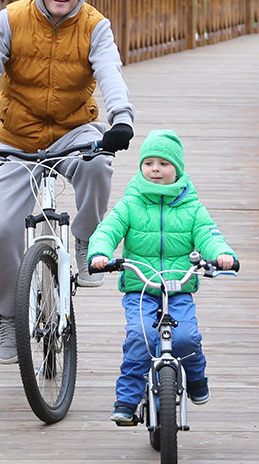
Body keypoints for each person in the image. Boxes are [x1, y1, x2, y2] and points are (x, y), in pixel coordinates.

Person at [0, 0, 136, 365]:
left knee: (98, 164)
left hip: (74, 132)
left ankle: (84, 237)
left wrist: (121, 119)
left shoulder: (96, 26)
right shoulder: (11, 20)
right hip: (17, 139)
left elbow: (110, 71)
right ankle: (8, 317)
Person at [87, 129, 237, 425]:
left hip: (178, 288)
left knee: (185, 337)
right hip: (140, 286)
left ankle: (195, 378)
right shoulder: (130, 203)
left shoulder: (192, 207)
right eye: (149, 163)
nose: (155, 169)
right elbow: (108, 229)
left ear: (177, 169)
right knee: (141, 336)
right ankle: (128, 399)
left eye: (163, 164)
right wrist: (100, 253)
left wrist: (221, 254)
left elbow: (209, 234)